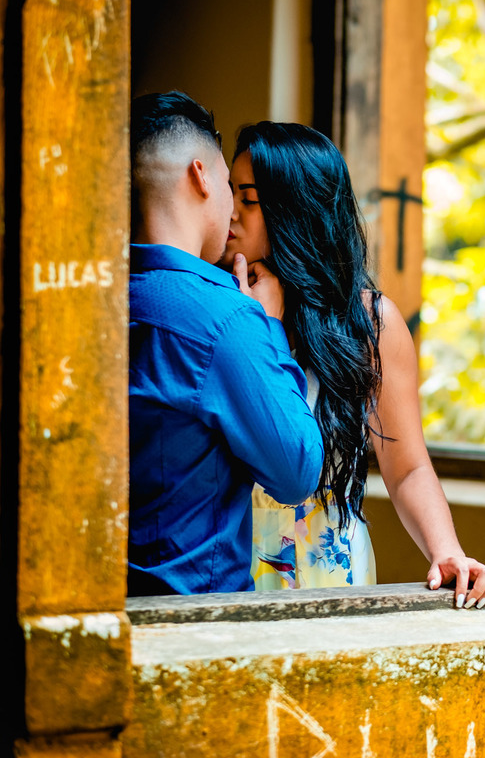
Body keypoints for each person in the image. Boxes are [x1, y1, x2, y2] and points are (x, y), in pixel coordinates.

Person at [226, 121, 485, 610]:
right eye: (229, 192)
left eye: (247, 199)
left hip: (334, 576)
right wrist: (259, 326)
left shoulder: (370, 323)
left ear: (296, 211)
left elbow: (407, 467)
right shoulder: (213, 309)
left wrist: (447, 551)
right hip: (229, 575)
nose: (229, 211)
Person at [128, 93, 325, 596]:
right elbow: (297, 472)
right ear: (201, 176)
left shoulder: (89, 297)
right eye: (228, 186)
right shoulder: (227, 319)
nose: (233, 208)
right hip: (195, 613)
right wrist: (269, 327)